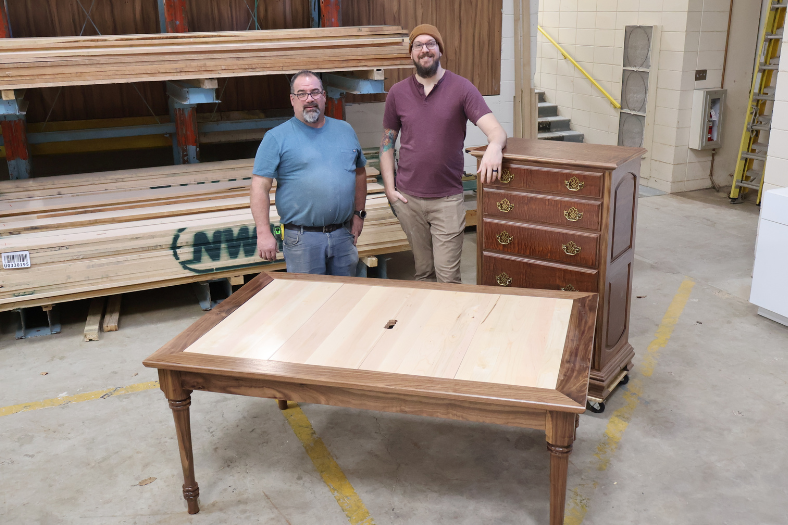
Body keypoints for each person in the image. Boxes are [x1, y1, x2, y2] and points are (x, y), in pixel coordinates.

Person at [380, 24, 507, 283]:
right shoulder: (397, 93)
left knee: (448, 279)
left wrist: (494, 147)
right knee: (423, 272)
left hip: (447, 201)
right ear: (411, 53)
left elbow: (496, 131)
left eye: (431, 44)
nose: (424, 49)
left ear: (440, 50)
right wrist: (390, 190)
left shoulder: (462, 88)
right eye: (418, 45)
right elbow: (386, 144)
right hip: (408, 200)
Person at [251, 70, 368, 276]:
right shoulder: (276, 138)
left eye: (315, 92)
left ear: (324, 96)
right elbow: (259, 187)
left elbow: (359, 173)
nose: (309, 99)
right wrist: (263, 232)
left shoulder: (345, 130)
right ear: (292, 99)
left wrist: (359, 214)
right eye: (302, 94)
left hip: (343, 235)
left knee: (345, 292)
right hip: (302, 239)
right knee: (307, 294)